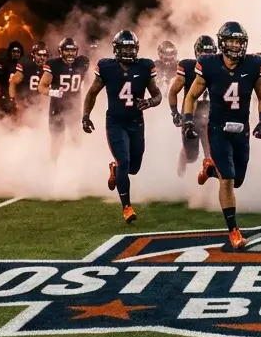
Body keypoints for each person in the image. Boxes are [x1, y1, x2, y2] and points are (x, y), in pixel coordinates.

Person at [182, 22, 261, 249]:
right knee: (228, 180)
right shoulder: (209, 65)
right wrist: (188, 120)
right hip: (217, 130)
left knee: (237, 180)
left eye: (239, 41)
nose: (235, 45)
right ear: (222, 42)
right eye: (231, 40)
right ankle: (233, 231)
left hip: (242, 131)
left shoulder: (253, 64)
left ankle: (210, 169)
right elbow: (191, 96)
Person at [81, 30, 161, 224]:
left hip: (136, 122)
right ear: (116, 49)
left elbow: (157, 95)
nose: (128, 51)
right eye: (124, 47)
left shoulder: (145, 66)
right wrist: (86, 116)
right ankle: (127, 206)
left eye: (131, 48)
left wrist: (149, 102)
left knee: (134, 167)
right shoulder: (106, 67)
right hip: (115, 122)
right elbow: (92, 93)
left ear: (137, 49)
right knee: (124, 161)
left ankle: (114, 169)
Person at [169, 35, 216, 176]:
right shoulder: (188, 67)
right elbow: (173, 92)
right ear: (197, 52)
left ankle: (209, 185)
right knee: (192, 156)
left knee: (212, 153)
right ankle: (182, 165)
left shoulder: (220, 68)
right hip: (191, 116)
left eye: (210, 52)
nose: (207, 56)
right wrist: (175, 113)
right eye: (204, 52)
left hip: (211, 116)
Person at [39, 38, 90, 150]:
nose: (70, 53)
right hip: (57, 108)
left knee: (76, 139)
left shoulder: (82, 62)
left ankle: (75, 162)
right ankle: (53, 164)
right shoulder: (54, 64)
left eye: (73, 50)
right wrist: (53, 92)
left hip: (74, 107)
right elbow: (41, 86)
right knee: (57, 139)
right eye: (67, 50)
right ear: (61, 51)